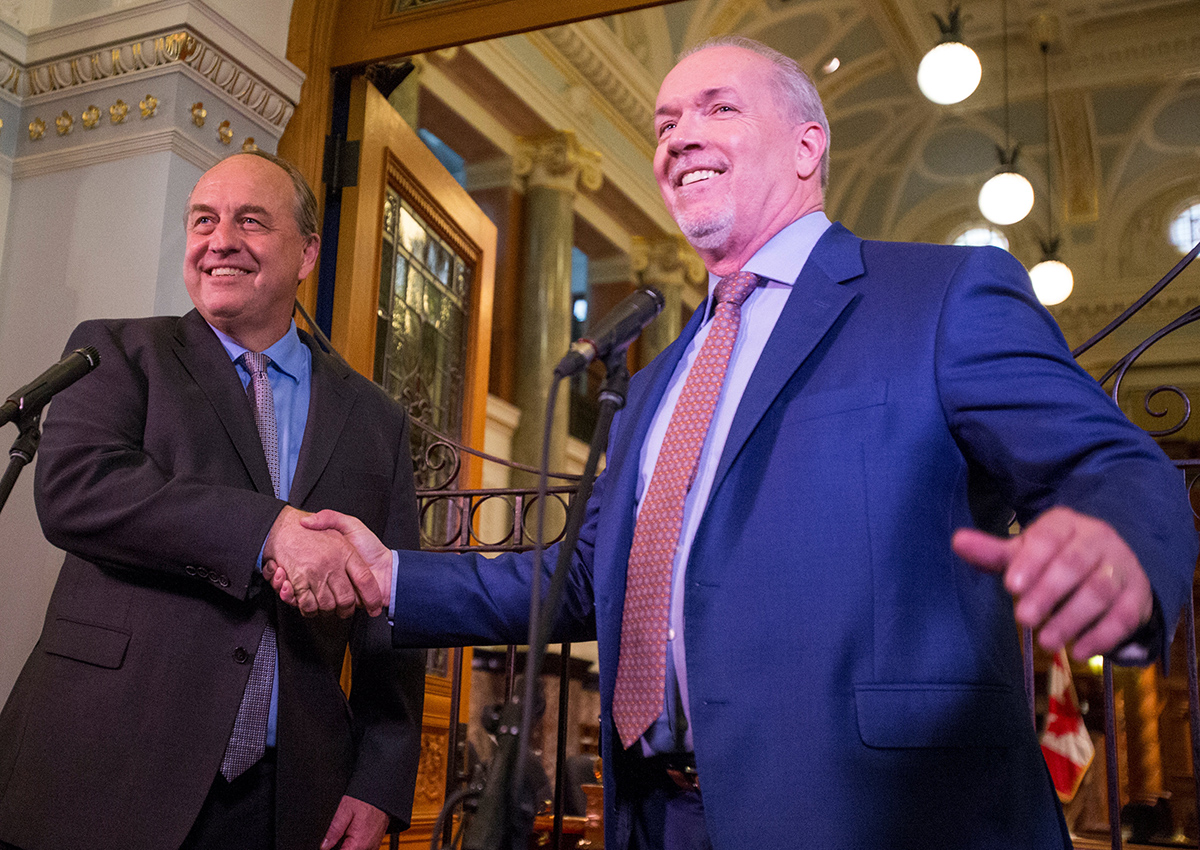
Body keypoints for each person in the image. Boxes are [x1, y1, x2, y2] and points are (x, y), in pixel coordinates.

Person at [271, 38, 1198, 849]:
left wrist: (1118, 550)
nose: (676, 135)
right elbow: (587, 583)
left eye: (718, 107)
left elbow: (1109, 465)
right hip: (655, 814)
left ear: (808, 146)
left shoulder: (942, 297)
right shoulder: (657, 378)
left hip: (881, 813)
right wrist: (389, 573)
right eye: (666, 120)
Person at [0, 151, 426, 850]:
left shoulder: (375, 419)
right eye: (204, 219)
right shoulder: (116, 352)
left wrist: (380, 776)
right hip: (101, 765)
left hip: (285, 798)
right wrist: (270, 532)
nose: (219, 239)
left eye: (250, 221)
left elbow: (391, 611)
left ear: (307, 252)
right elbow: (76, 488)